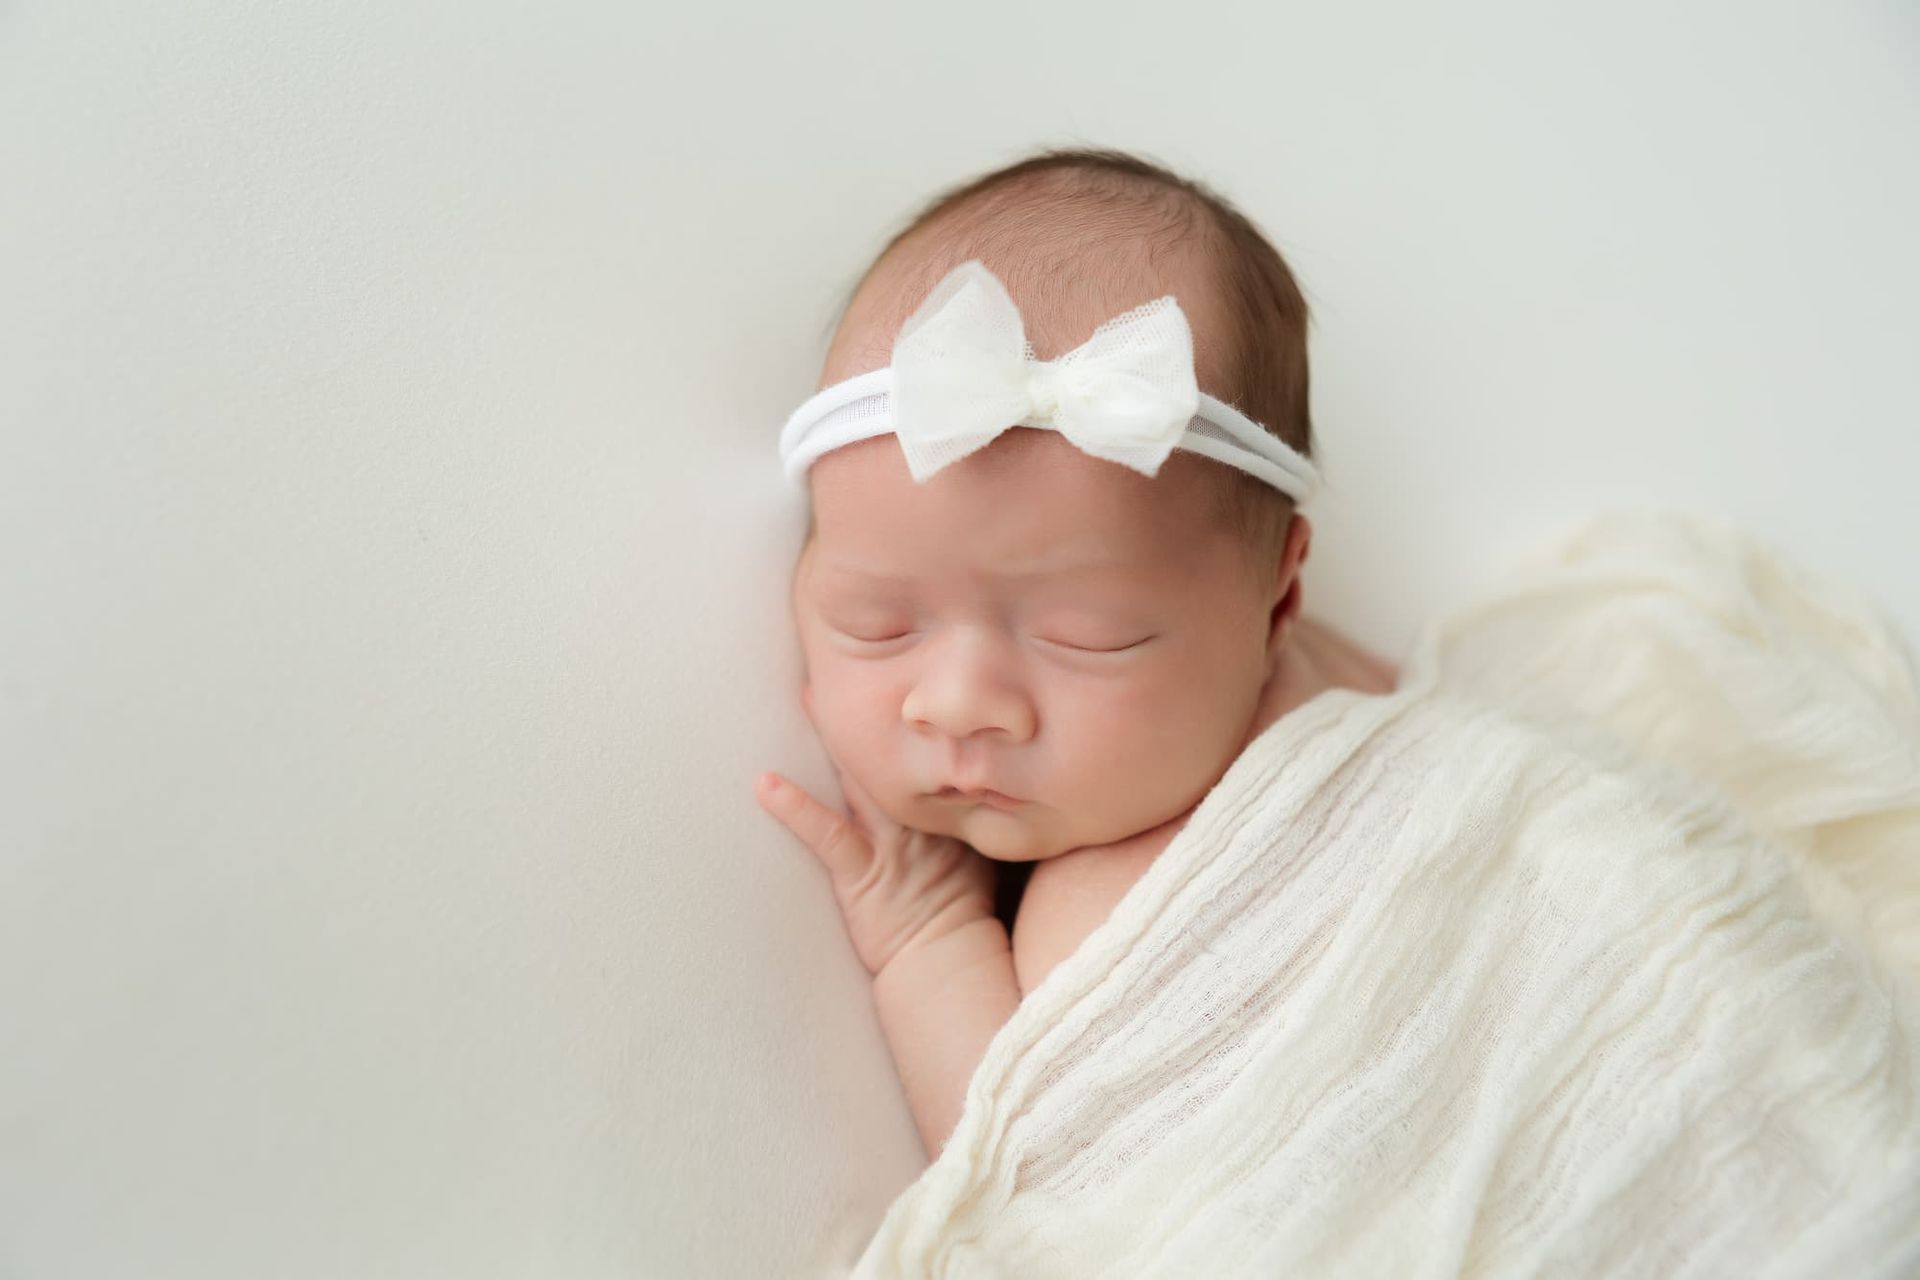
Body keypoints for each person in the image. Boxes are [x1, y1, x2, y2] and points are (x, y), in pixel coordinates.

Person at [756, 147, 1397, 1160]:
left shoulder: (1107, 910)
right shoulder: (1338, 675)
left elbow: (1034, 1173)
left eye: (1090, 635)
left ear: (1278, 599)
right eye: (877, 621)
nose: (962, 703)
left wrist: (929, 939)